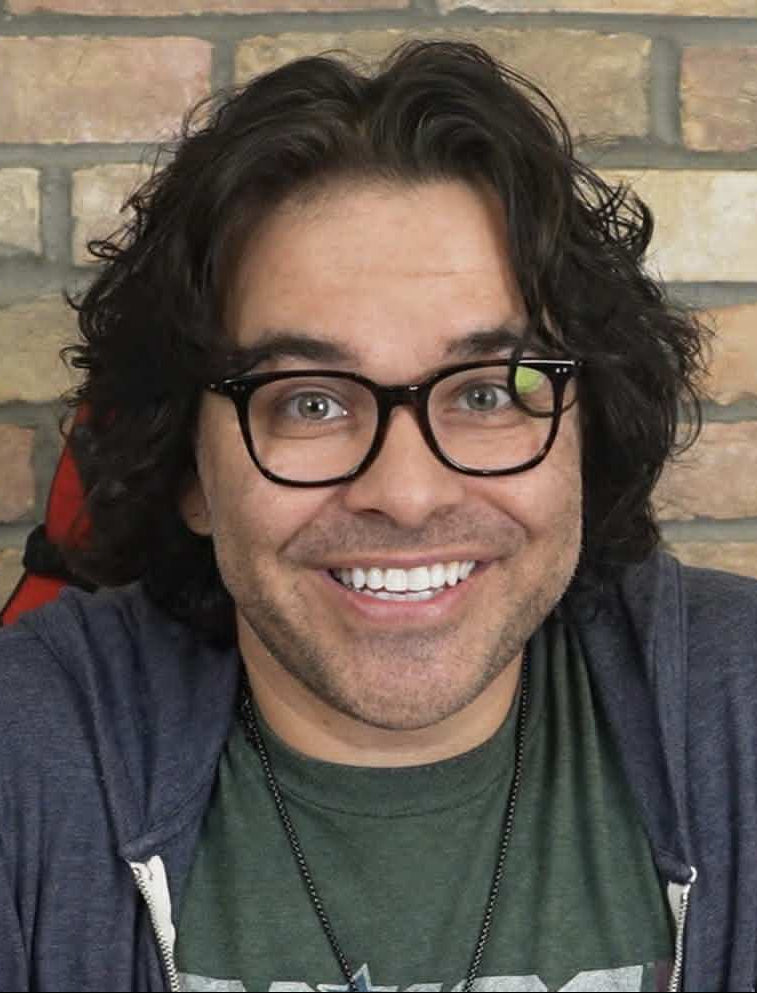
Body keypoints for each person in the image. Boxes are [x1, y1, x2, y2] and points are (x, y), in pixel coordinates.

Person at [0, 39, 755, 993]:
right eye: (309, 401)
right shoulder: (26, 744)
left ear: (586, 433)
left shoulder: (740, 709)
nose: (405, 493)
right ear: (187, 464)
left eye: (486, 392)